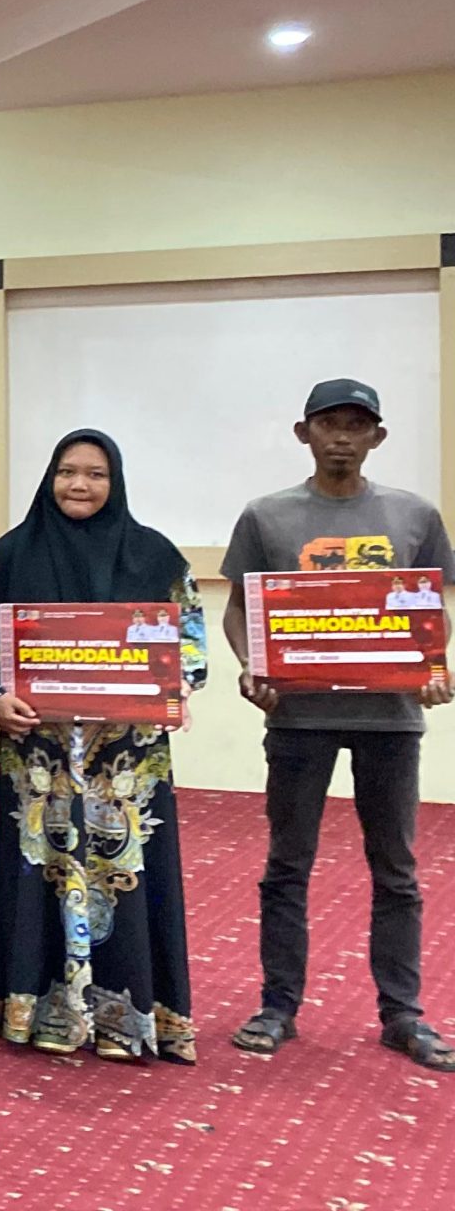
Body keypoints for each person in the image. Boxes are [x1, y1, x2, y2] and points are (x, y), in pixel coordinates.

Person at [222, 379, 455, 1072]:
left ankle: (402, 1014)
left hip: (392, 719)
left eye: (358, 425)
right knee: (286, 865)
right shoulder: (266, 516)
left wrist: (433, 669)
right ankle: (278, 1006)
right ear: (305, 433)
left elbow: (429, 613)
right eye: (330, 424)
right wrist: (252, 665)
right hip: (298, 717)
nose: (343, 438)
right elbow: (239, 611)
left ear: (377, 436)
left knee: (397, 871)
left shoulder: (415, 516)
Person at [0, 430, 207, 1064]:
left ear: (115, 481)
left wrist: (177, 687)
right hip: (38, 755)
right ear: (50, 478)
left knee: (128, 876)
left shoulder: (155, 555)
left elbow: (190, 640)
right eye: (67, 472)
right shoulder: (9, 555)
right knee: (38, 876)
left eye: (96, 474)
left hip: (126, 761)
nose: (80, 485)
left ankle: (127, 1015)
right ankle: (34, 1009)